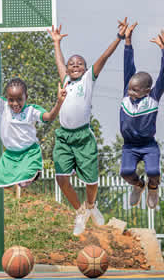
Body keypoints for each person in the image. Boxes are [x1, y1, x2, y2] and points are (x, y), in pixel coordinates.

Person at [47, 19, 127, 235]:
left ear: (85, 68)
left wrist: (119, 38)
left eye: (79, 64)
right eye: (71, 64)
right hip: (64, 137)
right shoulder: (65, 81)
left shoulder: (88, 80)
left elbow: (104, 57)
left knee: (91, 182)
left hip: (83, 137)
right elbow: (59, 62)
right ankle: (80, 211)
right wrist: (56, 42)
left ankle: (91, 205)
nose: (74, 66)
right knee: (61, 178)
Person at [0, 47, 66, 189]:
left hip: (29, 152)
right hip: (10, 154)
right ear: (7, 98)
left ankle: (34, 173)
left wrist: (59, 102)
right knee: (2, 182)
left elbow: (49, 117)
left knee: (25, 180)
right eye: (11, 100)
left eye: (19, 100)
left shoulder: (31, 110)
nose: (15, 104)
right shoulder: (3, 106)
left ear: (26, 98)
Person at [119, 25, 164, 209]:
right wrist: (127, 41)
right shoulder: (126, 96)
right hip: (130, 146)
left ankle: (152, 186)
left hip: (148, 145)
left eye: (135, 89)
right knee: (126, 172)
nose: (130, 91)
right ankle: (138, 185)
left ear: (147, 91)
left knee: (153, 171)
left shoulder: (153, 98)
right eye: (129, 88)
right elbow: (128, 66)